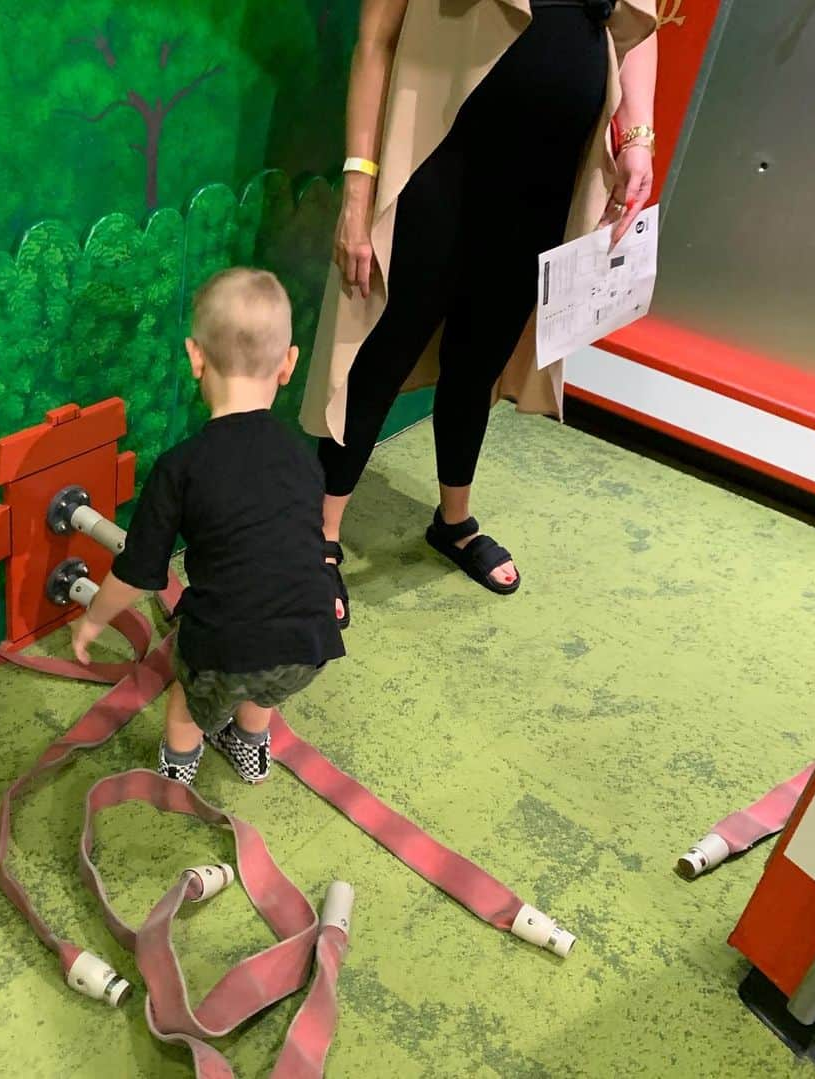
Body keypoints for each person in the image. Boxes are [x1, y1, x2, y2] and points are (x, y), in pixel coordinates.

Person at [300, 0, 659, 626]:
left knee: (483, 350)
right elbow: (374, 41)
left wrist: (637, 138)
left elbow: (636, 30)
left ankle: (453, 520)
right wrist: (359, 189)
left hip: (547, 175)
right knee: (386, 337)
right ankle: (320, 535)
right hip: (440, 155)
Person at [71, 268, 345, 786]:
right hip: (309, 644)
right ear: (289, 365)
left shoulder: (181, 466)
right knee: (263, 678)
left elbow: (137, 574)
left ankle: (177, 769)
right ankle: (253, 754)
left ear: (195, 356)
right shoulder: (303, 458)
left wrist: (93, 620)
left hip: (226, 648)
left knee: (189, 689)